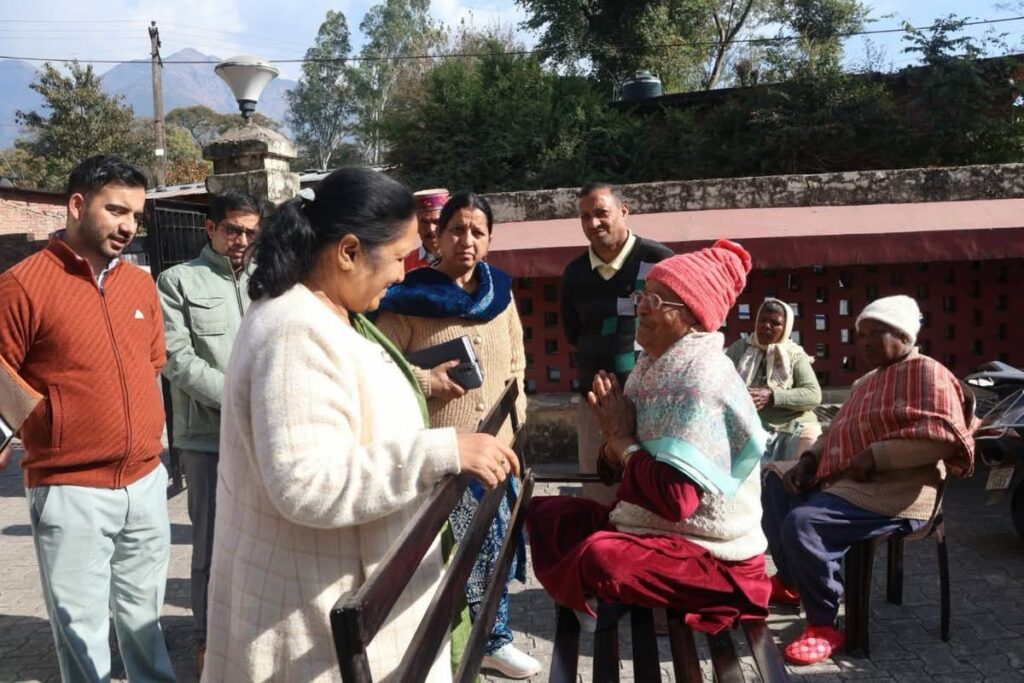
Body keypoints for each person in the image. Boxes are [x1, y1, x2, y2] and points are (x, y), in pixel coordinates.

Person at [202, 168, 518, 682]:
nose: (402, 275)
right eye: (397, 258)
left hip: (339, 595)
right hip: (310, 620)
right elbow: (306, 483)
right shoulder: (294, 332)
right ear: (348, 251)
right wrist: (441, 452)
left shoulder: (328, 312)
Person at [529, 240, 771, 634]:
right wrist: (613, 440)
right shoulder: (650, 366)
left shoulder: (701, 379)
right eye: (642, 296)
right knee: (546, 515)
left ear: (692, 317)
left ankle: (600, 595)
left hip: (713, 555)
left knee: (601, 558)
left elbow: (677, 501)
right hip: (651, 528)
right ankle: (601, 595)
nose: (640, 308)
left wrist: (621, 440)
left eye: (656, 302)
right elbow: (616, 469)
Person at [0, 155, 175, 681]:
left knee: (146, 623)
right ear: (77, 205)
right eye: (116, 210)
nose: (129, 226)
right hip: (68, 488)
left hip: (146, 483)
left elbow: (151, 365)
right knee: (81, 633)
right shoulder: (21, 286)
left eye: (136, 216)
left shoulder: (140, 285)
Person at [375, 191, 540, 679]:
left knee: (497, 546)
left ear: (489, 240)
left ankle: (495, 639)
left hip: (498, 451)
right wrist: (427, 382)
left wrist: (514, 428)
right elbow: (380, 367)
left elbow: (517, 362)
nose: (466, 240)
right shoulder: (407, 298)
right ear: (438, 236)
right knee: (450, 556)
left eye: (477, 232)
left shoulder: (499, 293)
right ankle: (448, 645)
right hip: (442, 456)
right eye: (457, 230)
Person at [761, 295, 975, 666]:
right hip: (854, 481)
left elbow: (942, 440)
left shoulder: (929, 372)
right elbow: (838, 430)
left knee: (804, 523)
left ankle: (823, 623)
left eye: (876, 333)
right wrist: (810, 460)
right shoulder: (867, 381)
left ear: (903, 335)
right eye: (860, 335)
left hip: (901, 491)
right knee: (776, 483)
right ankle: (794, 581)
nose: (865, 342)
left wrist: (878, 455)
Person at [156, 189, 261, 675]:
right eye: (233, 229)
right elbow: (176, 359)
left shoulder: (267, 281)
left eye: (250, 232)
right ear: (211, 228)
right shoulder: (178, 281)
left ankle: (252, 636)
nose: (242, 240)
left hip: (262, 434)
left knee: (261, 541)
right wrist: (238, 399)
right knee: (212, 547)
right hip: (208, 439)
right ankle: (207, 641)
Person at [561, 182, 673, 503]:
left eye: (601, 213)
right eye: (585, 217)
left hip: (655, 404)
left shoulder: (660, 261)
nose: (593, 223)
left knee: (653, 498)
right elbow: (573, 334)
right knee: (600, 498)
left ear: (624, 211)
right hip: (596, 406)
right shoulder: (574, 274)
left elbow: (680, 330)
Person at [726, 298, 822, 462]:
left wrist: (772, 396)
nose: (766, 326)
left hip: (794, 427)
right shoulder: (740, 349)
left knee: (803, 465)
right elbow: (720, 382)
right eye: (763, 320)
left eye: (775, 323)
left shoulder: (794, 355)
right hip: (751, 427)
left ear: (786, 328)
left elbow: (813, 395)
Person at [405, 188, 449, 271]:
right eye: (425, 222)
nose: (431, 229)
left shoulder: (460, 258)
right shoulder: (405, 262)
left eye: (436, 222)